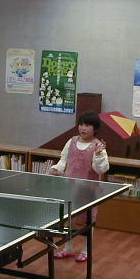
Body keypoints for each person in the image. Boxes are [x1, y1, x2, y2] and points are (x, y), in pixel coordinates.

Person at [50, 110, 109, 261]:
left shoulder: (98, 146)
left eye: (87, 125)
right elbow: (64, 160)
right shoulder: (71, 141)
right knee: (69, 219)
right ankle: (68, 248)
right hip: (70, 188)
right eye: (81, 124)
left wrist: (98, 155)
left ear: (95, 128)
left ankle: (86, 250)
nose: (83, 128)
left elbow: (101, 169)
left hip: (89, 191)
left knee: (89, 221)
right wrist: (57, 168)